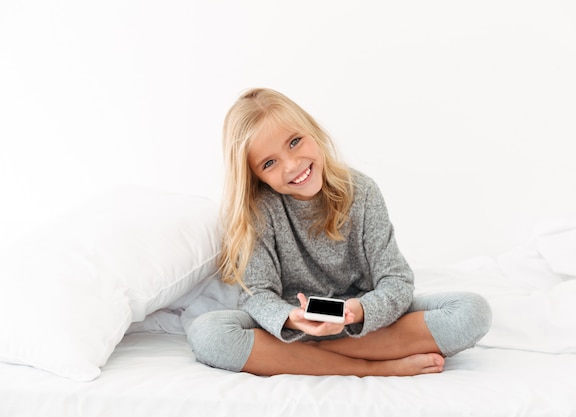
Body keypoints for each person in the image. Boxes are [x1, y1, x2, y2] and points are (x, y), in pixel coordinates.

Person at [186, 87, 492, 377]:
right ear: (255, 175)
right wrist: (293, 319)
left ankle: (319, 358)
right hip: (296, 328)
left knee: (471, 312)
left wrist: (356, 312)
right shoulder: (259, 210)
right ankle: (371, 367)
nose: (293, 165)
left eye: (295, 142)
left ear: (313, 131)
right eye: (269, 163)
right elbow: (257, 295)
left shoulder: (362, 192)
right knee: (208, 333)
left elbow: (396, 282)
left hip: (363, 317)